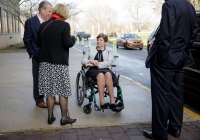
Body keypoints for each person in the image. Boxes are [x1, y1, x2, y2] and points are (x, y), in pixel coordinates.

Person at [143, 0, 197, 139]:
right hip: (180, 57)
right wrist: (184, 50)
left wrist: (161, 55)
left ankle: (160, 133)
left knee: (161, 96)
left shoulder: (169, 5)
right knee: (176, 94)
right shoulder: (189, 6)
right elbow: (194, 31)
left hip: (166, 59)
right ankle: (175, 128)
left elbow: (167, 33)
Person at [37, 3, 76, 125]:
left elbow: (39, 43)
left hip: (45, 63)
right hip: (59, 63)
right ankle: (64, 118)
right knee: (63, 91)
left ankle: (50, 117)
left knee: (49, 91)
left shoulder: (43, 25)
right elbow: (67, 43)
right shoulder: (64, 25)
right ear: (63, 13)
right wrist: (73, 38)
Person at [23, 0, 59, 108]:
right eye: (49, 11)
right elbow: (27, 39)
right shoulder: (31, 21)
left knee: (51, 77)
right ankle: (39, 100)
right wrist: (32, 53)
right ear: (42, 10)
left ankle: (52, 98)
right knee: (38, 78)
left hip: (50, 55)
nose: (50, 13)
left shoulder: (51, 22)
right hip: (37, 55)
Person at [81, 33, 117, 110]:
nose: (98, 41)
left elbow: (109, 62)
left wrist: (97, 64)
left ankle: (112, 100)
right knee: (100, 75)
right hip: (92, 70)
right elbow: (83, 60)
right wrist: (91, 61)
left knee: (108, 74)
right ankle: (102, 101)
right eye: (98, 40)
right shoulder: (91, 49)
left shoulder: (109, 50)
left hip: (105, 68)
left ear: (105, 42)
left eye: (101, 40)